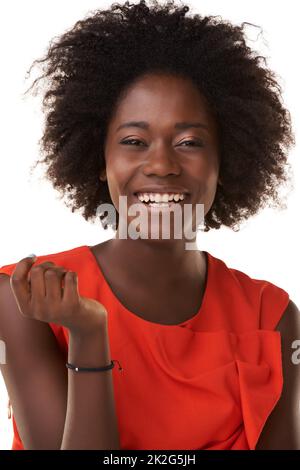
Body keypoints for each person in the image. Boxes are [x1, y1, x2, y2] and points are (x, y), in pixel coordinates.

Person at [0, 0, 299, 450]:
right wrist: (87, 333)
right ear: (100, 160)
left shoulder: (272, 317)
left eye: (189, 142)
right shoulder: (27, 298)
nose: (161, 164)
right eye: (134, 141)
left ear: (226, 160)